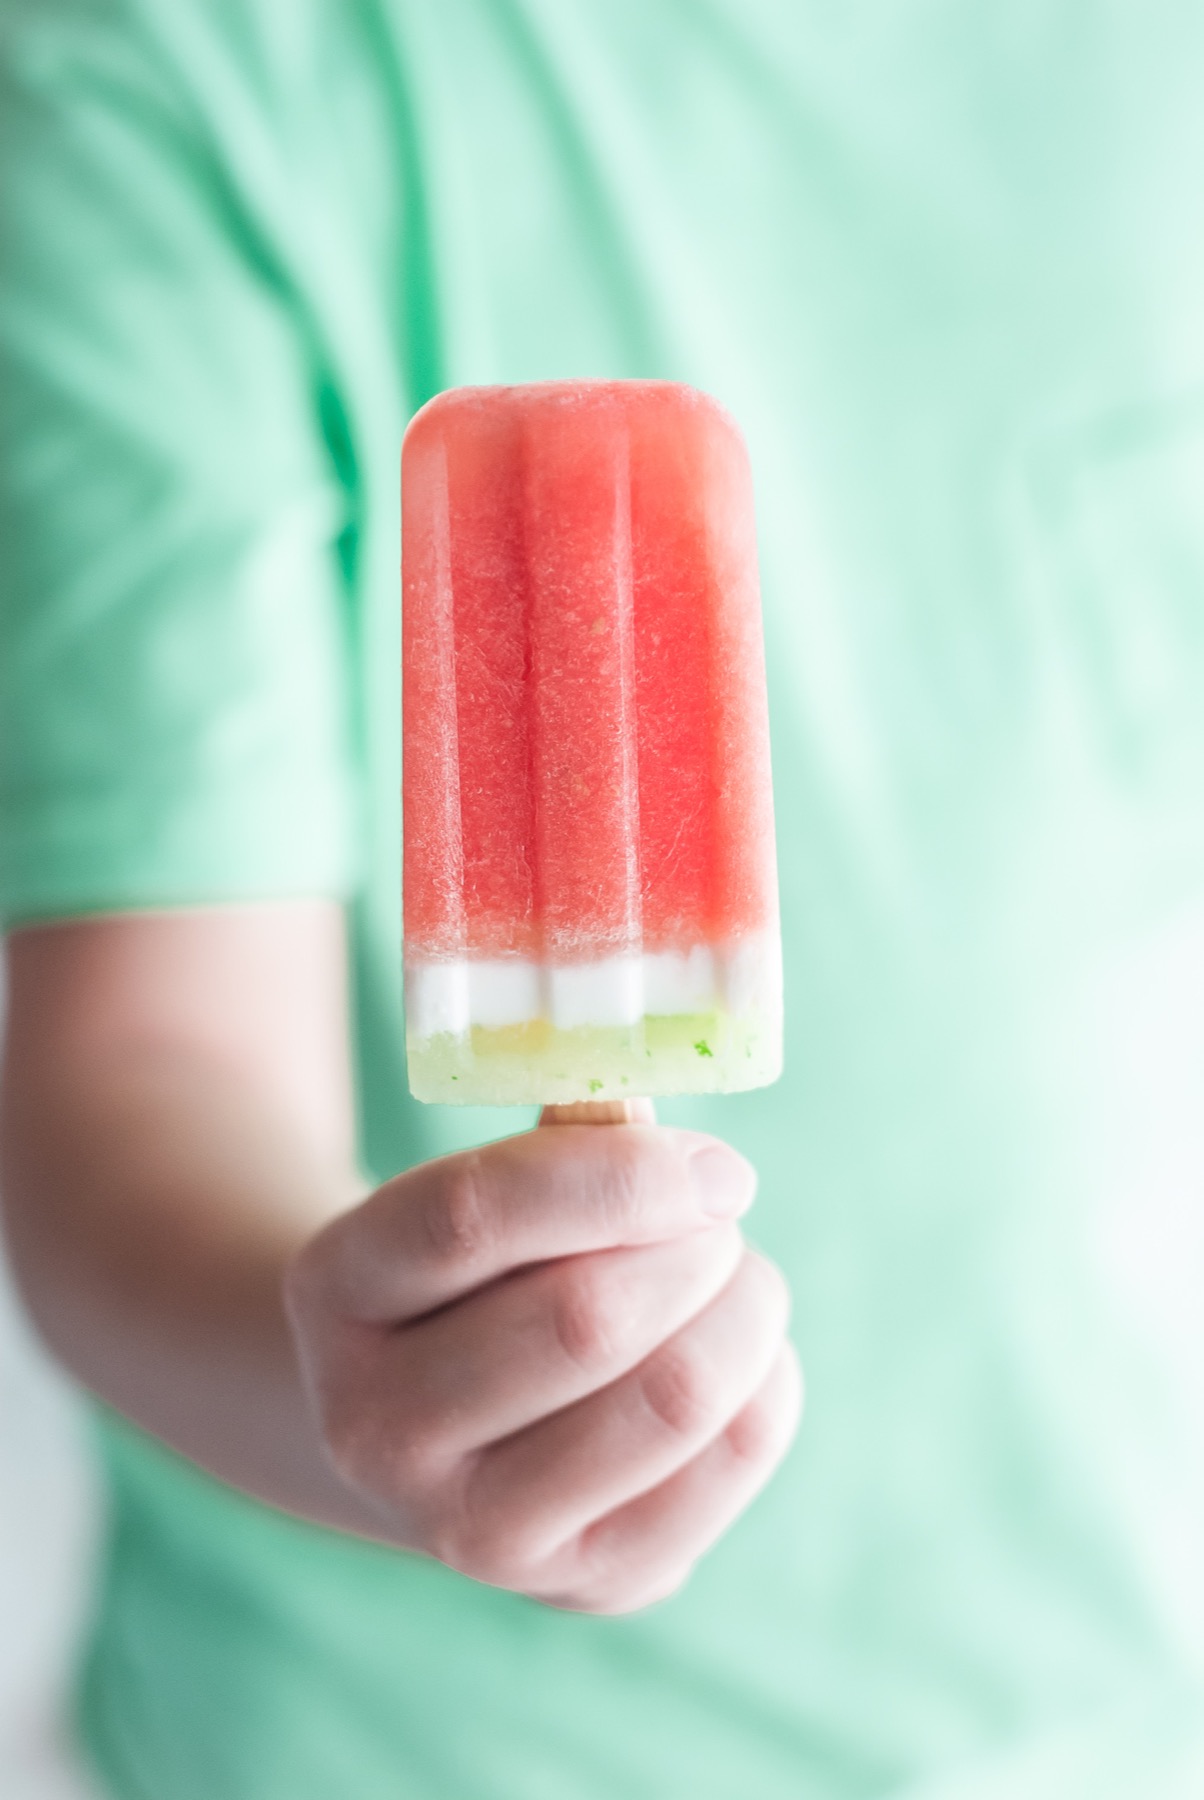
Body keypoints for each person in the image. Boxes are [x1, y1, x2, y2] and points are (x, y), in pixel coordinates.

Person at [4, 2, 1204, 1797]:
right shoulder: (170, 59)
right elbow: (147, 1057)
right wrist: (379, 1404)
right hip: (410, 1753)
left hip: (1126, 1684)